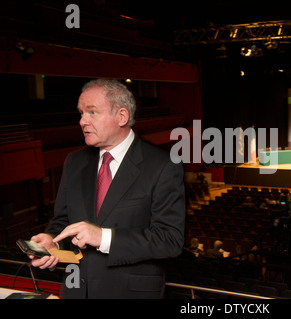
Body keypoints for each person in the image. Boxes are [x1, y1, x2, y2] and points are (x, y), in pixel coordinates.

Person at [29, 79, 186, 299]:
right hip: (76, 291)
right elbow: (62, 221)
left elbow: (169, 240)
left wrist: (102, 237)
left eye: (92, 112)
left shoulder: (163, 165)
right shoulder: (74, 161)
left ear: (121, 117)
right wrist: (52, 240)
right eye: (81, 113)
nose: (82, 121)